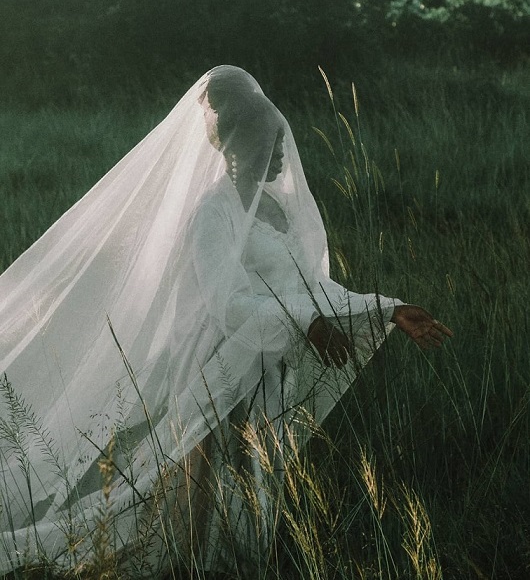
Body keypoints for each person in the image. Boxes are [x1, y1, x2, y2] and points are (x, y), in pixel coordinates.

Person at [0, 66, 452, 576]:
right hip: (218, 361)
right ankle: (196, 567)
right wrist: (306, 322)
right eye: (269, 142)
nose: (281, 153)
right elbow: (226, 303)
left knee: (258, 474)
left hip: (267, 359)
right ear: (239, 145)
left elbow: (311, 288)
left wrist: (387, 309)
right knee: (209, 479)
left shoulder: (276, 210)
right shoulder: (212, 213)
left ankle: (241, 564)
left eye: (280, 141)